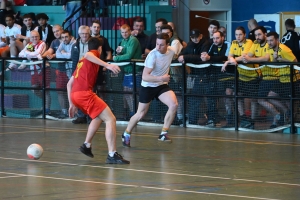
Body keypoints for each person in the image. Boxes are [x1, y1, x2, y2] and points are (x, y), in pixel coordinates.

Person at [67, 37, 130, 164]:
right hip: (85, 94)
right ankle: (112, 154)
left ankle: (87, 145)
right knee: (110, 119)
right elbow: (89, 54)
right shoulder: (92, 54)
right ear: (100, 48)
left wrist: (71, 102)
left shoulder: (81, 62)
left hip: (75, 95)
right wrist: (108, 65)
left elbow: (69, 84)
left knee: (98, 117)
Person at [122, 33, 178, 147]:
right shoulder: (152, 55)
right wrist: (162, 77)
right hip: (148, 85)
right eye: (157, 44)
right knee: (141, 114)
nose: (158, 47)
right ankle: (126, 133)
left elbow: (177, 54)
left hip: (161, 85)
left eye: (161, 45)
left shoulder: (172, 50)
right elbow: (145, 76)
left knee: (174, 105)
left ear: (167, 45)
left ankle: (164, 133)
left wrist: (182, 57)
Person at [258, 31, 297, 129]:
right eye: (268, 41)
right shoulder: (271, 50)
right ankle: (285, 111)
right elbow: (276, 63)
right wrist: (276, 60)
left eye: (271, 40)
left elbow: (296, 62)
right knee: (271, 96)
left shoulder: (284, 49)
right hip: (282, 79)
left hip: (292, 79)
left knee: (291, 102)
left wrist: (280, 59)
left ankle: (292, 124)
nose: (269, 43)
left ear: (277, 40)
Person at [221, 26, 253, 128]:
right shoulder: (234, 43)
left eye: (240, 34)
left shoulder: (249, 43)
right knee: (233, 94)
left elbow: (245, 57)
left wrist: (232, 60)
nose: (238, 36)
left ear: (244, 35)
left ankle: (250, 120)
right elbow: (230, 55)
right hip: (239, 75)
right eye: (236, 34)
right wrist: (231, 59)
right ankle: (236, 119)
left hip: (251, 75)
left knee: (253, 99)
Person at [178, 29, 210, 125]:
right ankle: (193, 120)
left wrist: (186, 57)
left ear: (200, 36)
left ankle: (211, 118)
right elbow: (182, 54)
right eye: (193, 37)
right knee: (195, 97)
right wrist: (182, 57)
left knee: (210, 98)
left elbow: (201, 58)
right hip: (196, 75)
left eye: (196, 37)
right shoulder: (190, 44)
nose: (195, 39)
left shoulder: (206, 43)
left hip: (207, 75)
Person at [241, 26, 271, 129]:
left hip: (274, 76)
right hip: (263, 76)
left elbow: (266, 58)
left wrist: (250, 59)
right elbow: (247, 56)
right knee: (258, 99)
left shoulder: (269, 43)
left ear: (265, 34)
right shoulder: (255, 44)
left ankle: (279, 117)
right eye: (256, 35)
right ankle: (252, 122)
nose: (257, 37)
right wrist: (245, 58)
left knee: (273, 99)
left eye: (259, 34)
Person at [200, 31, 231, 126]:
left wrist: (210, 58)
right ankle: (212, 118)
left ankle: (231, 119)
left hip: (227, 76)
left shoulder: (228, 44)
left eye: (217, 38)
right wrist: (205, 57)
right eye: (214, 38)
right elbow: (207, 56)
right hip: (214, 76)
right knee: (211, 97)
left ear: (223, 37)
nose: (215, 40)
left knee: (228, 98)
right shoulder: (211, 45)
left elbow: (225, 57)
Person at [113, 24, 142, 119]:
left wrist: (116, 58)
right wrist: (118, 53)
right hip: (126, 72)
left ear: (130, 32)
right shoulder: (122, 42)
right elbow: (122, 53)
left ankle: (135, 114)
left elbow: (129, 56)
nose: (124, 34)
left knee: (132, 94)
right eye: (122, 32)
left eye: (126, 32)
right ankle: (132, 113)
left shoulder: (133, 40)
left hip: (135, 72)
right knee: (127, 93)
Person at [18, 30, 50, 114]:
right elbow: (21, 54)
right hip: (34, 70)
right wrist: (28, 53)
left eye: (36, 36)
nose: (35, 38)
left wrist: (27, 54)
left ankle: (47, 109)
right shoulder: (30, 45)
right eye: (33, 37)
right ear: (30, 38)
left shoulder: (42, 43)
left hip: (43, 70)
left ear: (39, 37)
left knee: (45, 90)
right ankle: (44, 102)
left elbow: (38, 53)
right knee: (34, 89)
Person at [71, 25, 91, 124]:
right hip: (78, 72)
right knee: (79, 95)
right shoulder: (75, 45)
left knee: (89, 94)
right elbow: (74, 59)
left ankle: (91, 115)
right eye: (82, 34)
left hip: (89, 72)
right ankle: (81, 115)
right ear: (79, 34)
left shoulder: (93, 44)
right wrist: (73, 73)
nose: (84, 35)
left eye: (86, 34)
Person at [55, 30, 76, 119]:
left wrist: (63, 53)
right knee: (64, 90)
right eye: (62, 37)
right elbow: (57, 54)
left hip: (75, 70)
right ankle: (66, 111)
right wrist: (64, 54)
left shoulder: (74, 43)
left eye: (66, 37)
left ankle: (78, 112)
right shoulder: (62, 43)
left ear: (70, 36)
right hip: (66, 70)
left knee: (75, 91)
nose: (64, 39)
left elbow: (70, 56)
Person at [90, 19, 112, 99]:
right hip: (90, 68)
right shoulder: (88, 39)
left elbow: (109, 54)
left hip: (101, 68)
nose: (96, 29)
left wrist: (105, 66)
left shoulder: (104, 40)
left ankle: (102, 108)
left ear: (100, 29)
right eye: (94, 27)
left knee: (101, 89)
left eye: (98, 27)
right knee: (91, 89)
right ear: (91, 28)